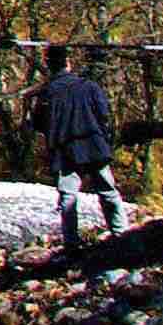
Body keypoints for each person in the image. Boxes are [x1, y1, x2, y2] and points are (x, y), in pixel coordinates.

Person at [38, 44, 127, 259]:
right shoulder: (89, 87)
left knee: (68, 198)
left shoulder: (47, 92)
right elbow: (104, 114)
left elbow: (39, 123)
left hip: (65, 150)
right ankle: (121, 235)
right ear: (68, 63)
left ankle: (72, 245)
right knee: (108, 192)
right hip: (93, 147)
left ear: (49, 67)